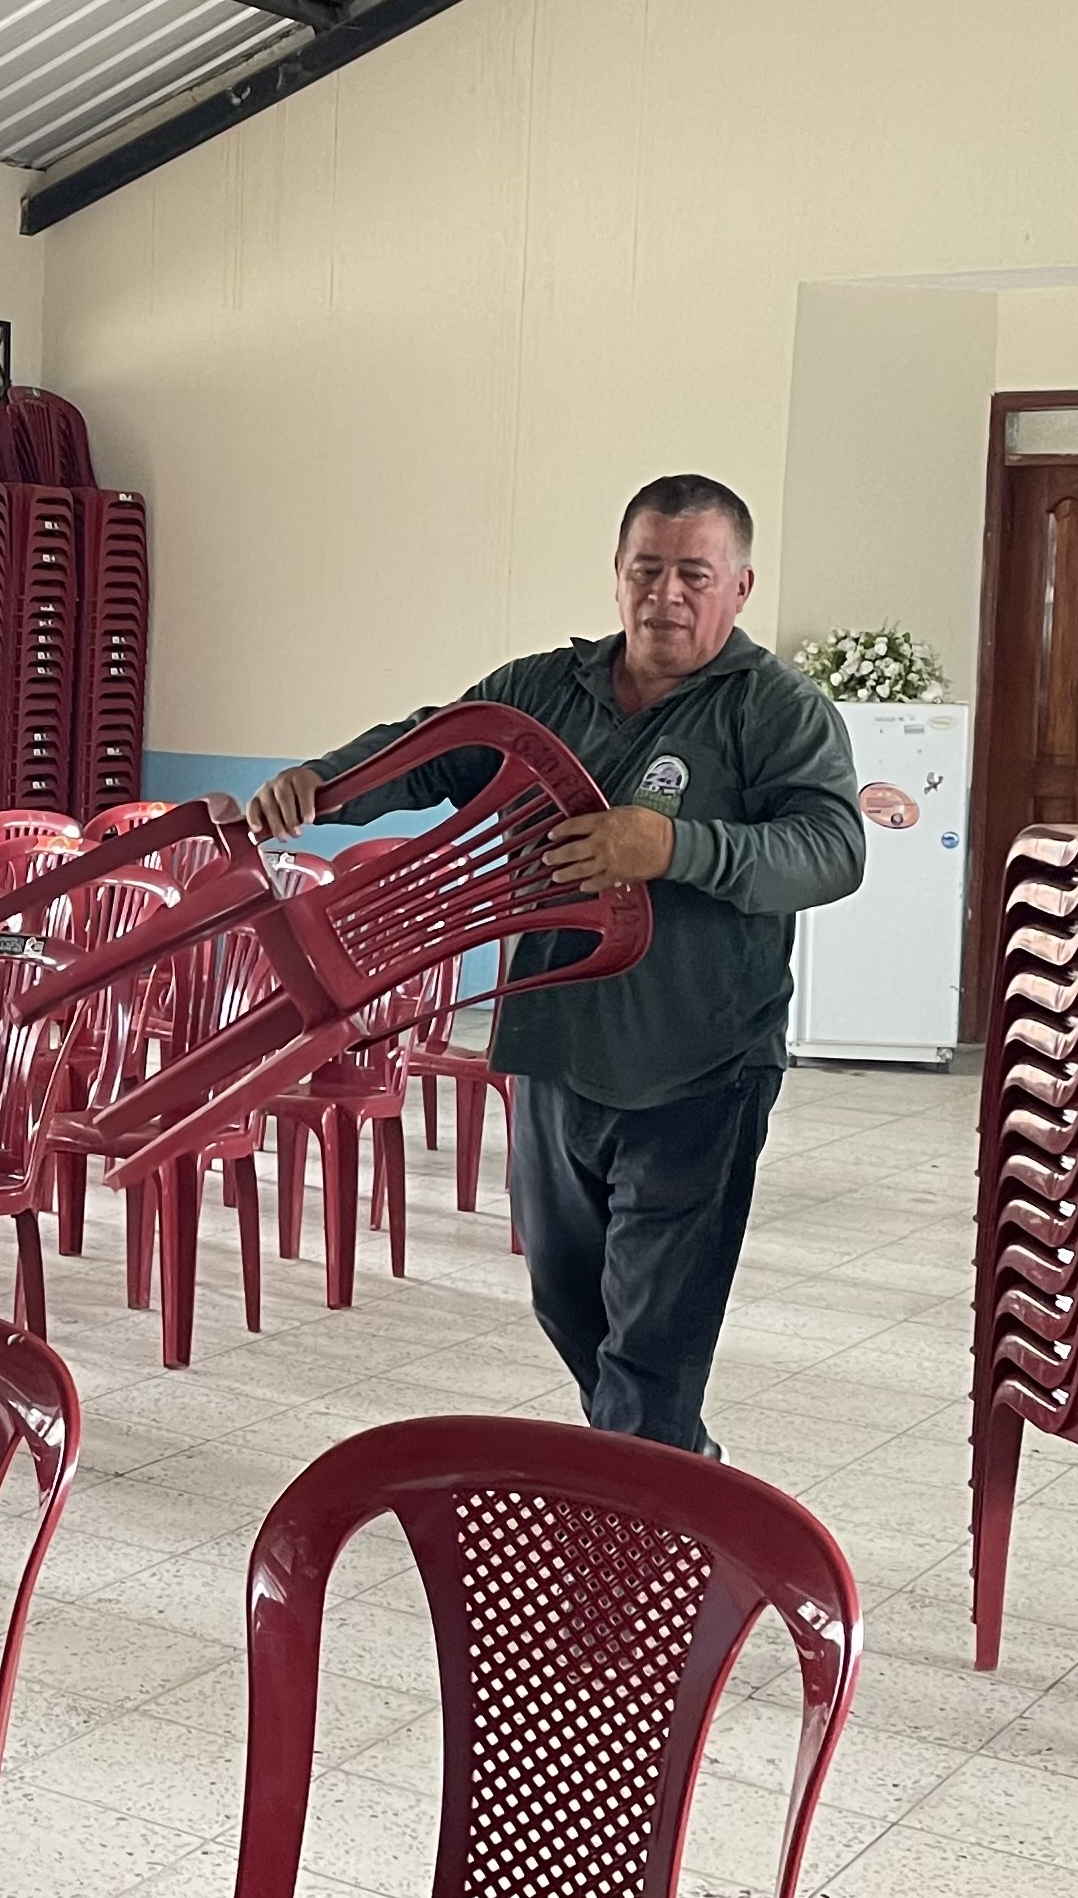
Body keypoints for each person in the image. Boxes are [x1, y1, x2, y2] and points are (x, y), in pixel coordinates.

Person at [229, 474, 862, 1458]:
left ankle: (643, 1509)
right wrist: (329, 783)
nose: (666, 595)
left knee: (652, 1346)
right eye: (646, 569)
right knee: (567, 1303)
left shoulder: (778, 710)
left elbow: (832, 850)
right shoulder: (545, 689)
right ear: (617, 574)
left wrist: (675, 847)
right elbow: (436, 745)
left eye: (694, 575)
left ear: (739, 587)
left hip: (701, 1070)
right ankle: (674, 1467)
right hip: (555, 1047)